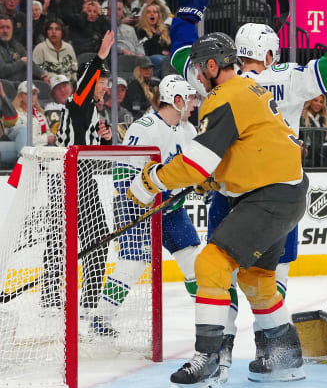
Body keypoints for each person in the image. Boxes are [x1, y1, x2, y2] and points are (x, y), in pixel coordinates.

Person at [168, 0, 327, 383]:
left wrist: (190, 12)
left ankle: (218, 355)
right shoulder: (286, 77)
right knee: (269, 276)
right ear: (271, 55)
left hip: (228, 192)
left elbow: (181, 53)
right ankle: (276, 356)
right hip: (276, 193)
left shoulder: (213, 78)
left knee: (219, 275)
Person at [128, 24, 308, 388]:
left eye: (196, 69)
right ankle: (285, 355)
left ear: (212, 66)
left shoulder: (226, 95)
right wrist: (208, 181)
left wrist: (153, 180)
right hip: (286, 193)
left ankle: (207, 362)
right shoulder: (248, 89)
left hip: (267, 197)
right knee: (256, 278)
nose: (194, 79)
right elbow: (242, 152)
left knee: (210, 263)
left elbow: (197, 162)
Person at [93, 74, 200, 336]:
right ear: (176, 101)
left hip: (171, 211)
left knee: (194, 263)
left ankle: (209, 318)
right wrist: (145, 196)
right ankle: (100, 319)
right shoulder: (144, 128)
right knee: (133, 265)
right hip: (135, 207)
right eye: (190, 99)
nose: (194, 105)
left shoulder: (189, 130)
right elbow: (121, 177)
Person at [50, 31, 114, 315]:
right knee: (62, 238)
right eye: (102, 81)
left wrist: (108, 138)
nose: (105, 87)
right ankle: (53, 298)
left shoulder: (94, 113)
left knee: (97, 237)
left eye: (107, 82)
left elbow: (101, 154)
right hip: (67, 175)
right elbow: (83, 85)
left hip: (83, 175)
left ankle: (87, 300)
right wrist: (99, 57)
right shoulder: (78, 105)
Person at [0, 14, 49, 83]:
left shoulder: (17, 45)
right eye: (1, 27)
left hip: (23, 84)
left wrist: (42, 75)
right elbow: (2, 71)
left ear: (12, 29)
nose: (5, 31)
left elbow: (30, 62)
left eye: (8, 27)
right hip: (5, 86)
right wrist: (21, 62)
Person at [300, 94, 327, 167]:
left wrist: (326, 143)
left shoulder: (323, 118)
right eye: (315, 100)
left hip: (322, 148)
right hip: (309, 148)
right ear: (309, 102)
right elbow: (301, 134)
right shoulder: (303, 117)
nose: (318, 104)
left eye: (321, 102)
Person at [10, 80, 53, 146]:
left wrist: (52, 137)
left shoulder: (40, 113)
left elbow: (48, 131)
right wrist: (46, 139)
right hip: (28, 150)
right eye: (28, 93)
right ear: (20, 96)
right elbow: (26, 140)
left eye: (34, 94)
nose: (32, 96)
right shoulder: (15, 115)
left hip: (45, 146)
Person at [135, 0, 171, 76]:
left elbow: (169, 46)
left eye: (155, 12)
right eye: (149, 12)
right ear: (144, 16)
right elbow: (147, 49)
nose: (152, 14)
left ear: (158, 15)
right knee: (159, 59)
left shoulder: (164, 29)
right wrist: (156, 36)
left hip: (165, 58)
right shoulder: (140, 30)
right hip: (150, 59)